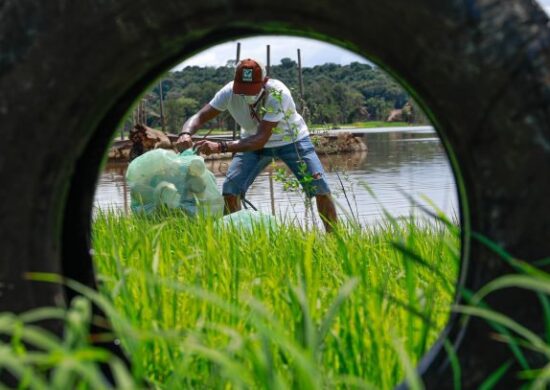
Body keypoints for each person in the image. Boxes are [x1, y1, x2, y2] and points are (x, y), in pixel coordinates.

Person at [175, 58, 337, 232]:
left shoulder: (277, 93)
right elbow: (200, 116)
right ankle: (235, 238)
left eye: (251, 89)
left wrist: (220, 147)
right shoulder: (228, 92)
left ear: (264, 81)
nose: (246, 95)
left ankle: (334, 239)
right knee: (231, 191)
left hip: (292, 140)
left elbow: (261, 139)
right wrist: (185, 133)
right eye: (242, 90)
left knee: (320, 187)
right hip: (250, 143)